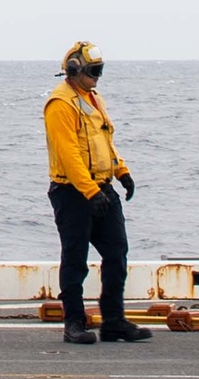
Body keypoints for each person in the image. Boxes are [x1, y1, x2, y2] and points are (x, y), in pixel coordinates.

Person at [43, 41, 151, 345]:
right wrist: (90, 191)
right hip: (72, 193)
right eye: (94, 71)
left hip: (102, 189)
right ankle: (74, 323)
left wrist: (122, 172)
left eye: (100, 70)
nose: (98, 77)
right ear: (75, 69)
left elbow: (105, 140)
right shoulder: (60, 104)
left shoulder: (93, 99)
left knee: (117, 254)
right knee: (75, 259)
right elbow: (68, 155)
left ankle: (114, 321)